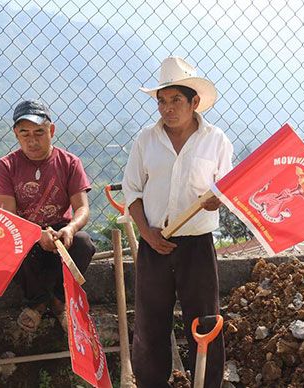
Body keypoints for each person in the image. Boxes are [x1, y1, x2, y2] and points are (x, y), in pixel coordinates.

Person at [123, 56, 234, 388]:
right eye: (161, 101)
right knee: (150, 325)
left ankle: (207, 384)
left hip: (197, 245)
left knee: (205, 324)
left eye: (175, 100)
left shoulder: (216, 141)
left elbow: (228, 188)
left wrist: (219, 197)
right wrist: (147, 233)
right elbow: (132, 191)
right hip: (154, 243)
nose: (167, 108)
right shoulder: (146, 140)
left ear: (194, 102)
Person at [0, 99, 95, 334]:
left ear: (52, 130)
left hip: (60, 234)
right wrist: (36, 234)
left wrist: (69, 229)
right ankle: (37, 303)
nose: (32, 140)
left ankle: (60, 300)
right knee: (10, 243)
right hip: (25, 232)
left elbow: (82, 209)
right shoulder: (6, 166)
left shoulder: (69, 163)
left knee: (84, 243)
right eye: (24, 133)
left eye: (39, 132)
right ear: (16, 134)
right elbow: (8, 214)